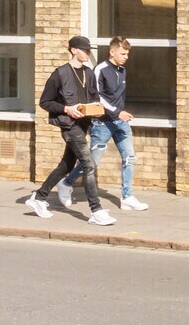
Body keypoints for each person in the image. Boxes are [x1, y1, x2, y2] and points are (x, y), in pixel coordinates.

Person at [27, 35, 112, 226]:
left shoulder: (89, 73)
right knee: (89, 165)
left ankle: (39, 197)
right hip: (69, 126)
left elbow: (94, 98)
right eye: (85, 50)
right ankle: (96, 211)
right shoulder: (60, 74)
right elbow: (45, 102)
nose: (88, 53)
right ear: (74, 50)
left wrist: (97, 109)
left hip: (83, 125)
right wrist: (67, 109)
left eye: (89, 50)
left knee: (66, 165)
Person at [63, 36, 147, 211]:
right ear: (112, 52)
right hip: (102, 124)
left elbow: (117, 97)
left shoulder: (122, 70)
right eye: (123, 54)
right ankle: (67, 183)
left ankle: (127, 197)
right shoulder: (100, 70)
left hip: (120, 123)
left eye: (127, 54)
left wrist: (120, 114)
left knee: (129, 158)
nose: (126, 57)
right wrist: (117, 112)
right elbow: (97, 97)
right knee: (92, 162)